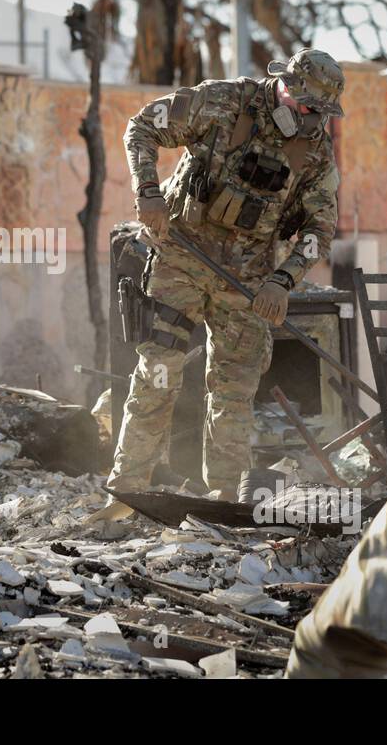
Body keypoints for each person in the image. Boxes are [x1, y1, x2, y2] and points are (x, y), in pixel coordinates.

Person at [107, 48, 343, 499]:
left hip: (249, 277)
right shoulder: (224, 101)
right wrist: (148, 192)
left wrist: (283, 280)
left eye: (323, 112)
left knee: (234, 390)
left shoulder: (315, 151)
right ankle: (128, 490)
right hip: (182, 256)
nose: (315, 118)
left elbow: (319, 229)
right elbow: (142, 127)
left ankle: (225, 499)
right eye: (310, 107)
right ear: (287, 88)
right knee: (160, 370)